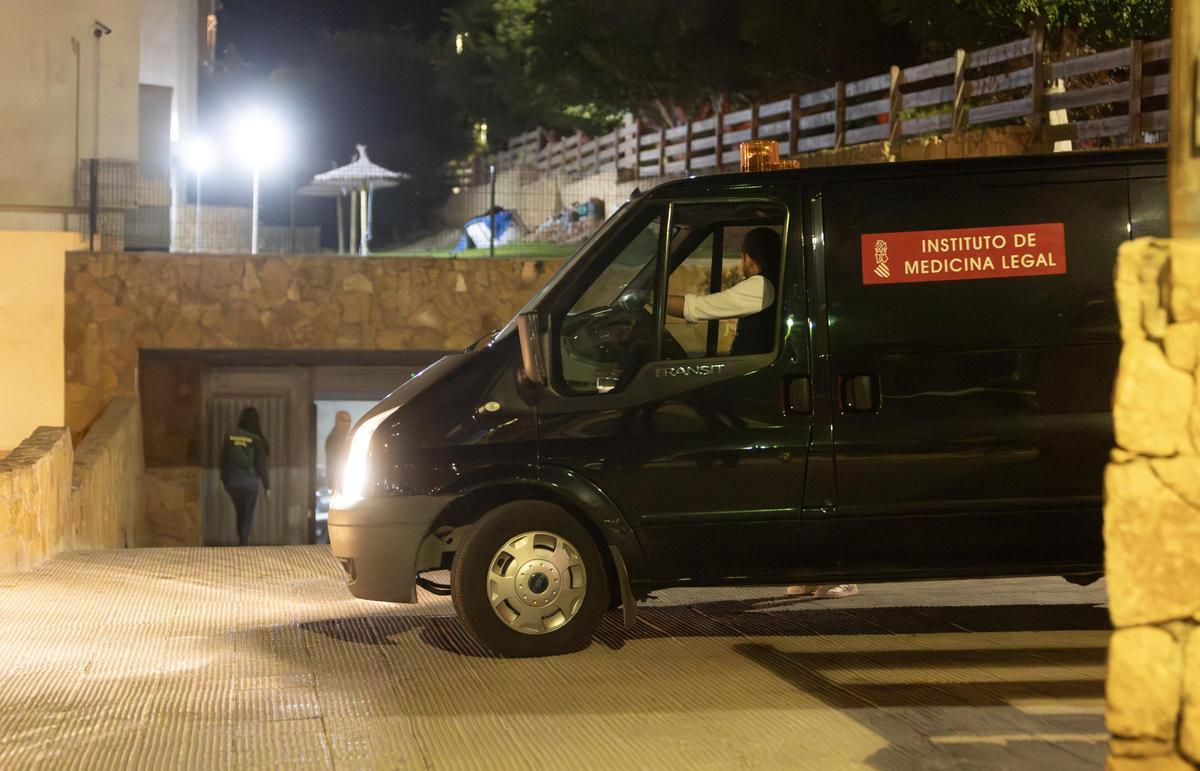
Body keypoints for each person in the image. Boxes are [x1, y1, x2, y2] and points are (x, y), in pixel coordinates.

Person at [666, 227, 859, 601]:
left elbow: (699, 307)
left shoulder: (761, 287)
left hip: (769, 399)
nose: (742, 264)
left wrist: (655, 301)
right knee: (793, 485)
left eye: (743, 257)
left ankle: (838, 570)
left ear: (750, 258)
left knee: (805, 483)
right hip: (766, 396)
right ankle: (811, 570)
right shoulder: (773, 286)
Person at [666, 226, 781, 356]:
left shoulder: (761, 286)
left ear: (748, 259)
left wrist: (653, 299)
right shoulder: (775, 283)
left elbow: (695, 308)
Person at [219, 406, 270, 546]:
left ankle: (242, 541)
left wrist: (224, 480)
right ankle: (243, 542)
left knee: (240, 512)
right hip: (249, 484)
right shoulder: (256, 440)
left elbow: (223, 460)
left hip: (233, 483)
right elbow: (261, 466)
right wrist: (267, 486)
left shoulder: (230, 435)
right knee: (246, 514)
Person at [324, 410, 352, 493]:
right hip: (339, 484)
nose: (347, 424)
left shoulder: (344, 437)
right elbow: (333, 463)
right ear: (337, 421)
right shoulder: (334, 439)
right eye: (344, 420)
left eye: (349, 421)